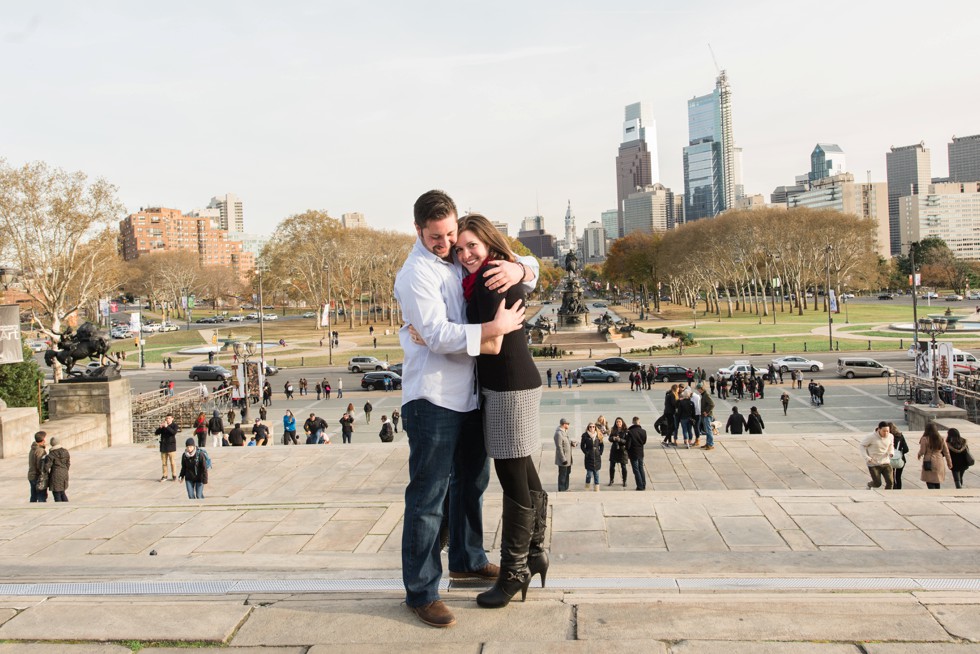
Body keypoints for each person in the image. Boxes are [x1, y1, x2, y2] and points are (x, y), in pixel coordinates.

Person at [393, 191, 536, 627]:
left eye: (451, 234)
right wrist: (492, 330)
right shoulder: (415, 272)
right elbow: (436, 334)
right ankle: (421, 591)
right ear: (418, 230)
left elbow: (522, 267)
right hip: (432, 397)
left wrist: (521, 266)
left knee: (472, 482)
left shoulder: (458, 258)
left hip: (470, 394)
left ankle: (469, 559)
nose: (447, 243)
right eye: (437, 237)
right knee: (428, 496)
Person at [450, 212, 547, 610]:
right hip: (513, 382)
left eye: (472, 245)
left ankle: (513, 572)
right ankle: (535, 552)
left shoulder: (491, 279)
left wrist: (432, 339)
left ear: (488, 243)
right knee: (522, 470)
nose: (466, 254)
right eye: (459, 249)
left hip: (508, 384)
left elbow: (490, 346)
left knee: (512, 479)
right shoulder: (496, 273)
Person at [860, 421, 895, 490]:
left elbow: (891, 445)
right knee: (877, 483)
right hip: (873, 463)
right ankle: (869, 484)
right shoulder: (871, 437)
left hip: (886, 462)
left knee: (890, 482)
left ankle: (887, 495)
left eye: (887, 431)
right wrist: (867, 457)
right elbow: (862, 445)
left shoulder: (890, 436)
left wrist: (891, 452)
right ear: (879, 429)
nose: (886, 433)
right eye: (884, 431)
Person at [918, 422, 953, 489]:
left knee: (929, 480)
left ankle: (933, 495)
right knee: (937, 480)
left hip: (929, 460)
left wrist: (919, 454)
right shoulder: (941, 438)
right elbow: (946, 452)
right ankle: (938, 494)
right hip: (939, 460)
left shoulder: (925, 439)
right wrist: (949, 463)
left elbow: (922, 451)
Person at [625, 417, 647, 491]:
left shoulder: (630, 432)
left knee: (636, 469)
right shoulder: (643, 431)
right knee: (641, 468)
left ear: (633, 422)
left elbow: (628, 444)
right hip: (640, 452)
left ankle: (640, 486)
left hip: (633, 452)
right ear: (639, 422)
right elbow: (644, 442)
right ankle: (643, 484)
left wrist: (627, 451)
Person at [45, 436, 70, 502]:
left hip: (55, 474)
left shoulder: (52, 454)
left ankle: (60, 506)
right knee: (62, 492)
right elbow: (68, 463)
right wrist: (65, 470)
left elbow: (47, 466)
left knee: (57, 493)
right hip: (64, 473)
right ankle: (67, 505)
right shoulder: (65, 451)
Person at [155, 415, 179, 481]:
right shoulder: (163, 426)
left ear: (172, 419)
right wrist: (160, 427)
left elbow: (173, 432)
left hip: (171, 447)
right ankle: (164, 475)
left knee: (172, 462)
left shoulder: (174, 425)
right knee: (164, 463)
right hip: (163, 447)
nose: (168, 419)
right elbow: (156, 433)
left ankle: (174, 475)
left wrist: (167, 427)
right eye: (167, 418)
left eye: (169, 418)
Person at [580, 422, 604, 491]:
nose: (592, 428)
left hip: (597, 456)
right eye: (590, 427)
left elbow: (602, 445)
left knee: (596, 474)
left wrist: (600, 452)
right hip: (589, 457)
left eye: (593, 426)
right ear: (588, 427)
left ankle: (596, 488)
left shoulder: (598, 435)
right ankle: (587, 486)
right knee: (589, 474)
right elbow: (582, 446)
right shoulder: (585, 436)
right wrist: (586, 452)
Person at [888, 422, 910, 489]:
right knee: (898, 477)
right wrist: (900, 452)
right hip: (900, 459)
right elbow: (906, 449)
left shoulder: (888, 437)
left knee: (891, 476)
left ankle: (893, 488)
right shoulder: (900, 436)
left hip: (889, 459)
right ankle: (899, 489)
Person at [28, 431, 48, 503]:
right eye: (44, 439)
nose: (45, 441)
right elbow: (40, 465)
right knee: (41, 496)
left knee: (33, 496)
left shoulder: (33, 448)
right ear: (42, 440)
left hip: (31, 475)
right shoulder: (40, 450)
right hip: (37, 476)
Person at [554, 418, 573, 492]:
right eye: (567, 424)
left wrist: (571, 443)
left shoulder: (565, 432)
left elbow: (566, 442)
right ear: (564, 424)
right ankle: (561, 489)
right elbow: (559, 447)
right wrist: (563, 459)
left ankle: (566, 488)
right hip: (564, 459)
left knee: (567, 473)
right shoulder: (558, 433)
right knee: (563, 474)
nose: (568, 425)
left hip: (568, 458)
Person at [698, 385, 715, 451]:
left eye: (698, 389)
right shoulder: (704, 394)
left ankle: (710, 444)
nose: (698, 391)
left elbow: (712, 404)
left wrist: (706, 412)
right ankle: (708, 443)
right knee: (707, 431)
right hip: (705, 415)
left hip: (707, 415)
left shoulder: (706, 395)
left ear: (701, 389)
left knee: (708, 430)